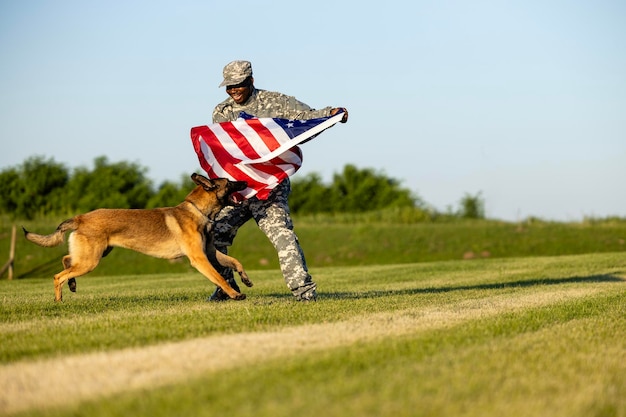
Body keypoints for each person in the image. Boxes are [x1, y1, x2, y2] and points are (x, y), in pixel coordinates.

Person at [207, 60, 348, 302]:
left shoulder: (276, 102)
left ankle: (304, 293)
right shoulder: (221, 112)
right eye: (229, 87)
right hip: (238, 191)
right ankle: (226, 289)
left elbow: (305, 120)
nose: (234, 91)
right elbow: (224, 151)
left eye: (238, 85)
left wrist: (330, 114)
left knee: (283, 236)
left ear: (250, 81)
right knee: (212, 234)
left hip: (270, 188)